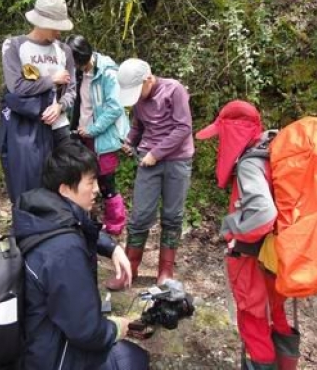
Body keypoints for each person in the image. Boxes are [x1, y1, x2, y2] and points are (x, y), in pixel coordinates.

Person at [13, 142, 150, 370]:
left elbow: (84, 226)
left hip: (34, 338)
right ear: (65, 189)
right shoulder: (64, 250)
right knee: (134, 360)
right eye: (90, 182)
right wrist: (117, 327)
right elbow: (86, 332)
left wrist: (112, 248)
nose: (97, 188)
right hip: (53, 357)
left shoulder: (40, 212)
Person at [195, 100, 299, 370]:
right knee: (276, 313)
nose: (220, 144)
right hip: (277, 254)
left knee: (254, 320)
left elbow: (264, 214)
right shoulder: (273, 149)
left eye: (222, 135)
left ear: (232, 132)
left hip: (252, 257)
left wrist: (232, 229)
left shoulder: (249, 164)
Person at [106, 58, 194, 290]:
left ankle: (165, 271)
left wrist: (156, 153)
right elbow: (139, 125)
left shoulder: (174, 90)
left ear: (148, 78)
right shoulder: (138, 100)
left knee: (172, 216)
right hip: (148, 161)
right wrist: (129, 141)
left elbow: (183, 127)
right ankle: (129, 269)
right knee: (140, 215)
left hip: (177, 160)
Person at [0, 0, 76, 205]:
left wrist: (60, 107)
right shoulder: (14, 46)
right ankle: (32, 223)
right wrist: (52, 80)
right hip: (26, 128)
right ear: (40, 23)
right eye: (54, 27)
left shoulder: (64, 51)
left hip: (59, 127)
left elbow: (72, 90)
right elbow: (17, 87)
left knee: (65, 181)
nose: (59, 32)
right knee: (31, 182)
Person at [64, 34, 130, 235]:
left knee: (106, 181)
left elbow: (114, 108)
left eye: (76, 63)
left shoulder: (108, 73)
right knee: (84, 178)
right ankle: (88, 220)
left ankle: (115, 225)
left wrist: (92, 130)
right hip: (81, 134)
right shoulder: (77, 73)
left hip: (104, 137)